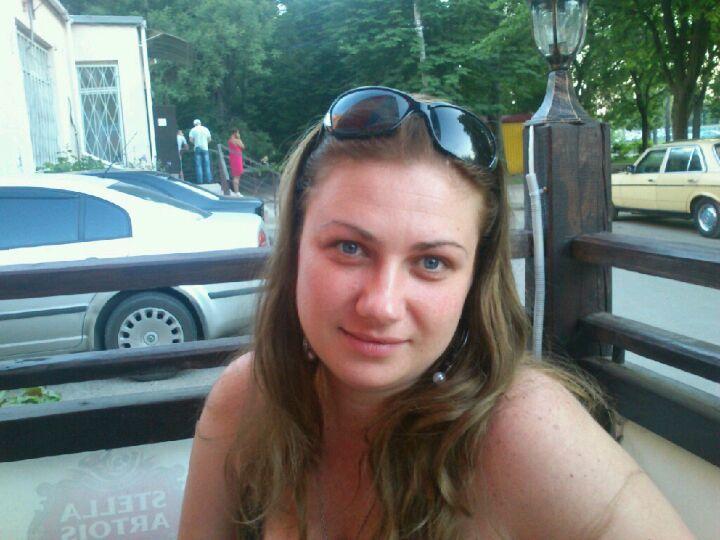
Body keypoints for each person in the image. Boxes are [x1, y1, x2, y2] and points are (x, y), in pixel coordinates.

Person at [179, 87, 692, 539]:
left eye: (431, 262)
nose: (381, 305)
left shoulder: (524, 431)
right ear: (295, 247)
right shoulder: (247, 399)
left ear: (474, 280)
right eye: (349, 248)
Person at [189, 118, 213, 184]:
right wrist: (206, 143)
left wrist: (195, 143)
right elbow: (209, 139)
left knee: (198, 165)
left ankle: (200, 181)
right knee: (207, 165)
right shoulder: (205, 129)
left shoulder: (193, 130)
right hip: (205, 147)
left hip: (197, 147)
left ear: (194, 124)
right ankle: (209, 180)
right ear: (200, 123)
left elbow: (190, 140)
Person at [228, 128, 246, 196]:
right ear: (235, 133)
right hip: (237, 158)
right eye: (238, 133)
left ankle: (236, 191)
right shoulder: (237, 140)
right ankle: (237, 192)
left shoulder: (230, 140)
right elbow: (243, 146)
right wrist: (239, 138)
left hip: (233, 158)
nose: (239, 134)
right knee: (237, 176)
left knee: (235, 175)